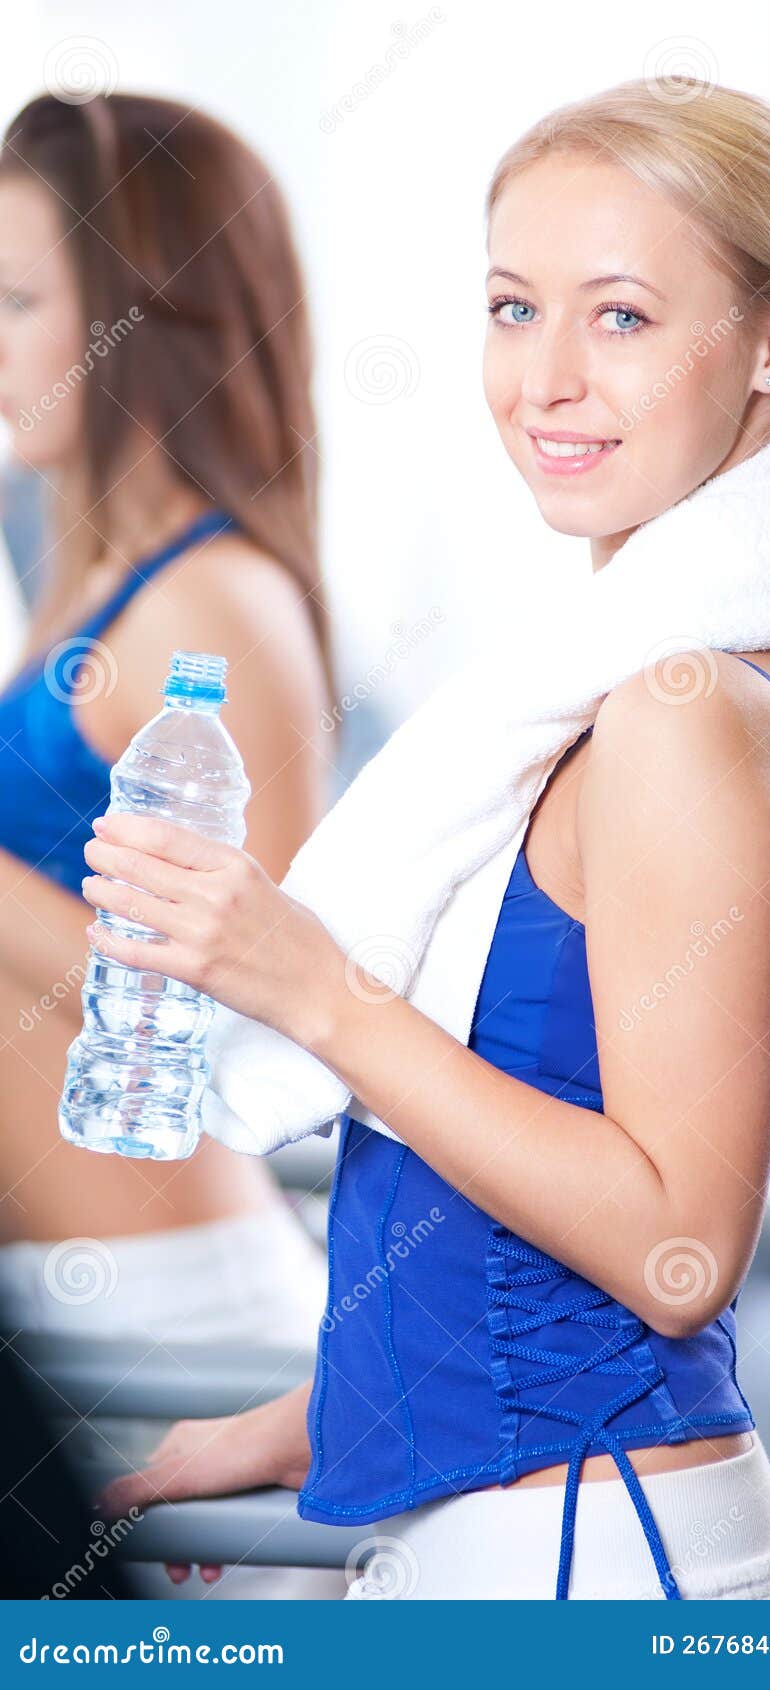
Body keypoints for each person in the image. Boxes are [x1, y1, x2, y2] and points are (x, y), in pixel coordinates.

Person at [95, 79, 770, 1600]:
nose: (545, 379)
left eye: (620, 318)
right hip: (542, 1532)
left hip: (594, 1557)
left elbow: (678, 1243)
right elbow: (509, 1191)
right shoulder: (633, 682)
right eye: (513, 306)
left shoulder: (679, 709)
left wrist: (318, 992)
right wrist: (307, 1422)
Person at [0, 91, 344, 1597]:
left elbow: (249, 1011)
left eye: (18, 300)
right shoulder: (100, 588)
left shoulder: (211, 611)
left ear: (143, 321)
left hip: (160, 1316)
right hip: (70, 1303)